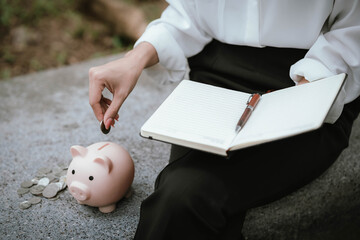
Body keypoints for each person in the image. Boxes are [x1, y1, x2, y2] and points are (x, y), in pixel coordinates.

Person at [88, 1, 360, 239]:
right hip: (215, 78)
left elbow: (352, 28)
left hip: (315, 77)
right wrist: (135, 59)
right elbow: (189, 14)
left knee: (185, 196)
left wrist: (305, 94)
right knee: (186, 194)